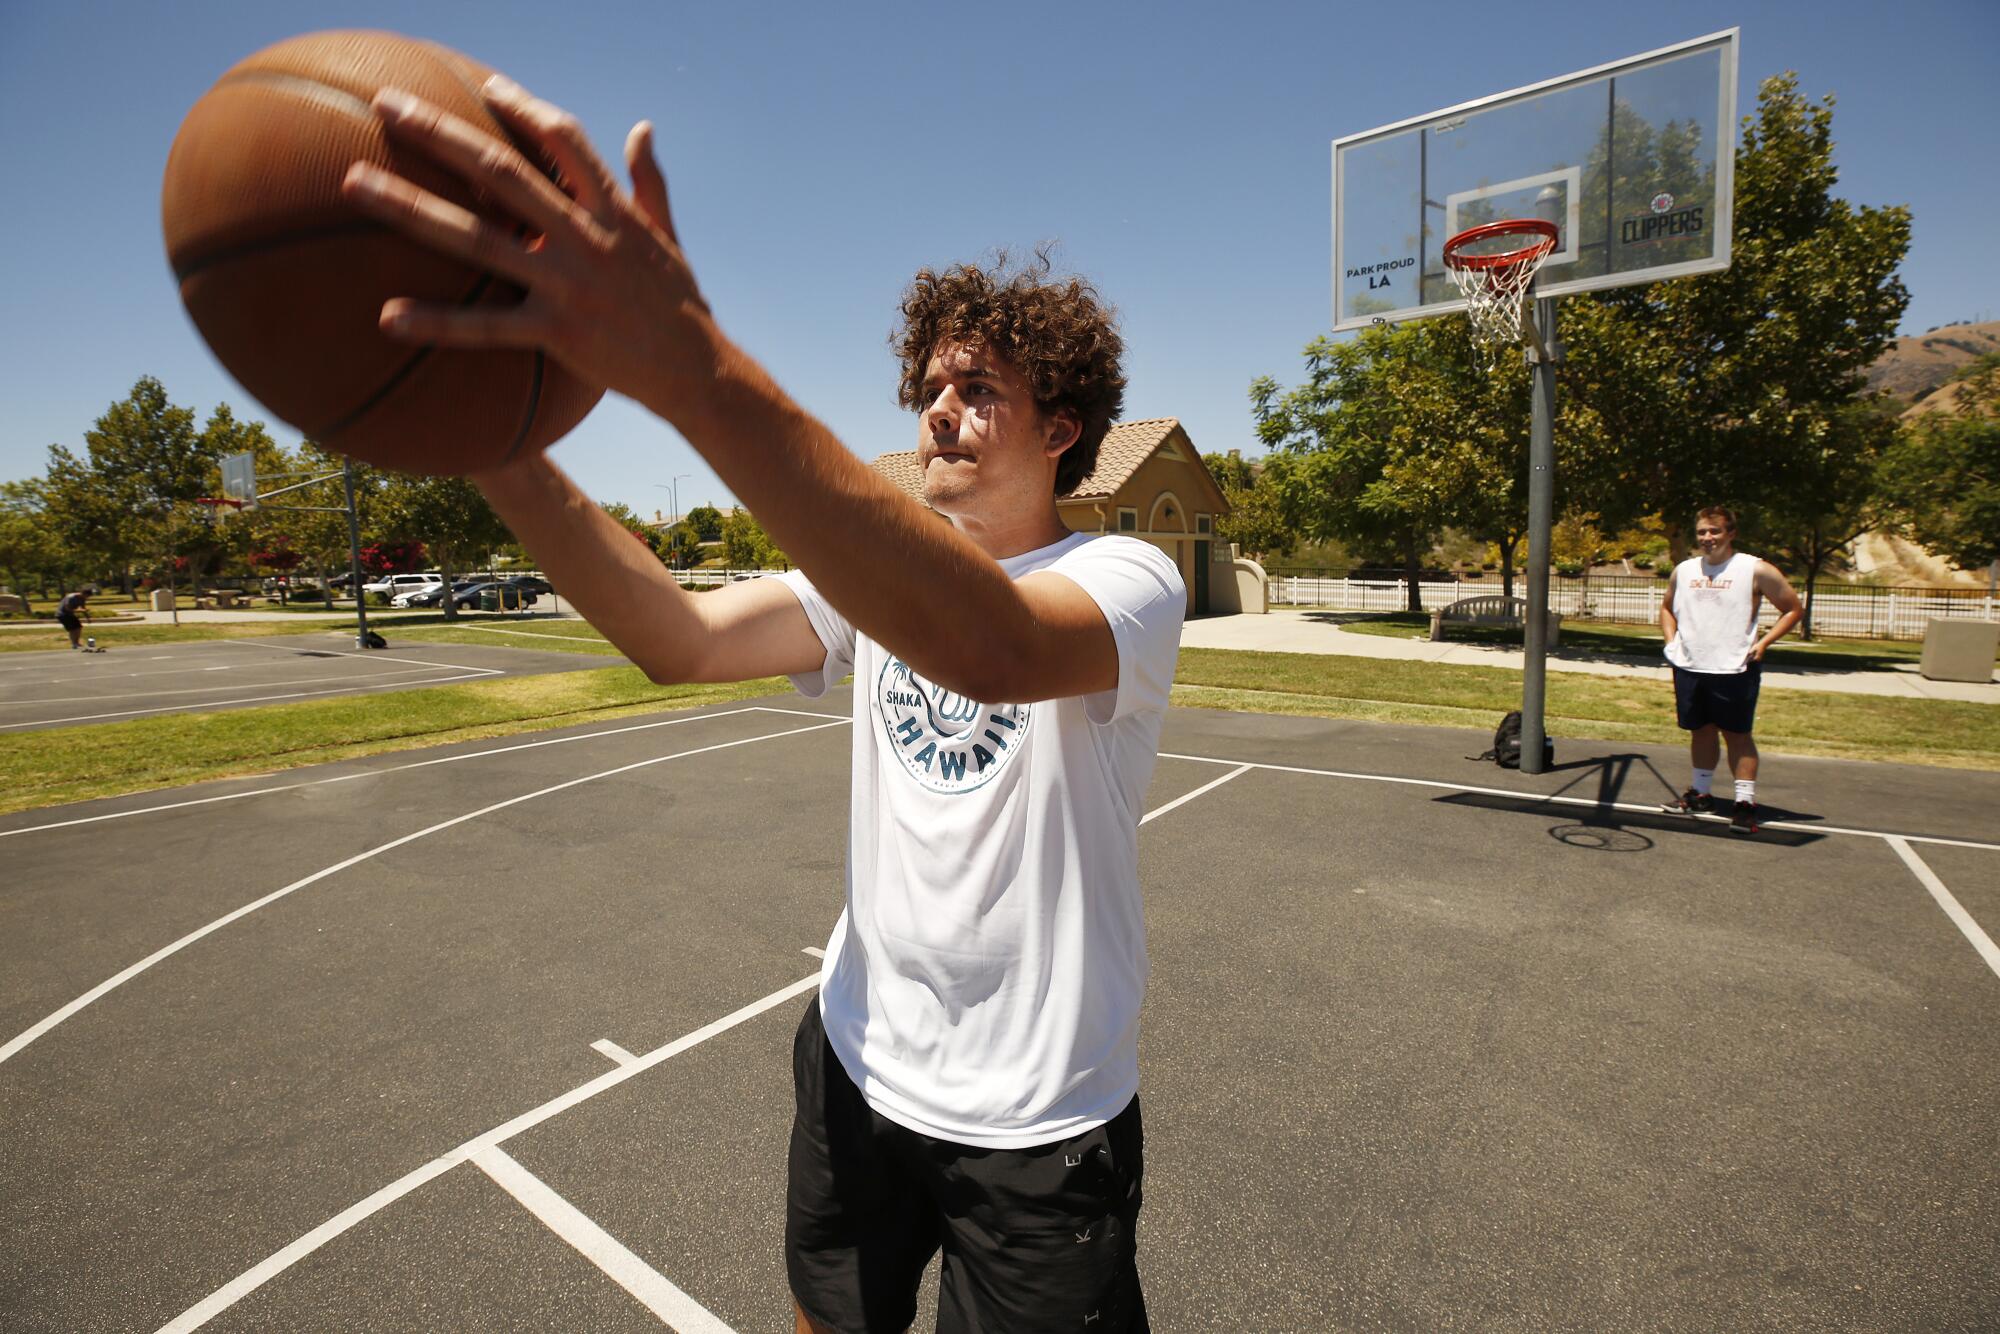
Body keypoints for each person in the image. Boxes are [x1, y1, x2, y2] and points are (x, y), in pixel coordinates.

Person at [342, 79, 1185, 1331]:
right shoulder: (864, 574)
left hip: (1038, 1119)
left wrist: (691, 369)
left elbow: (989, 644)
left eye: (981, 390)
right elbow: (672, 636)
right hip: (857, 1063)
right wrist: (491, 444)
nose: (939, 407)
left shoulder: (1123, 578)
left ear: (1062, 427)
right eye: (931, 385)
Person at [1658, 507, 1802, 836]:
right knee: (1701, 731)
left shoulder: (1755, 569)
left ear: (1731, 534)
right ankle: (1701, 794)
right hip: (1692, 666)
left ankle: (1744, 803)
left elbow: (1793, 609)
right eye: (1702, 532)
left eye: (1715, 532)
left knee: (1737, 735)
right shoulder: (1684, 570)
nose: (1708, 538)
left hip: (1735, 667)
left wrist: (1764, 643)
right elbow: (1667, 607)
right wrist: (1672, 643)